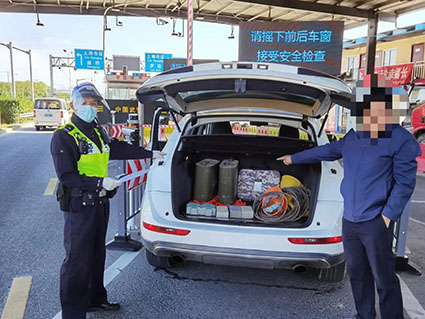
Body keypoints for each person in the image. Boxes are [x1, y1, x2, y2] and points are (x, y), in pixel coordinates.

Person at [277, 79, 420, 319]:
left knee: (383, 277)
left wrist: (386, 217)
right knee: (357, 274)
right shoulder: (355, 136)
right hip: (351, 219)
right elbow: (326, 151)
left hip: (375, 221)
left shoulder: (401, 140)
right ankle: (364, 315)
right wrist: (294, 157)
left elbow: (405, 184)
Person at [50, 82, 164, 319]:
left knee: (95, 255)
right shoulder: (65, 135)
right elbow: (67, 175)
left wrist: (150, 153)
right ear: (73, 105)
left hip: (100, 203)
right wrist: (99, 183)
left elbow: (117, 148)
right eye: (85, 104)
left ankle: (95, 300)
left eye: (94, 104)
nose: (90, 108)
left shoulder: (97, 131)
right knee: (76, 262)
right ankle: (72, 314)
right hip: (79, 205)